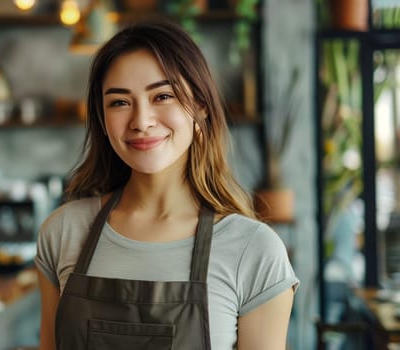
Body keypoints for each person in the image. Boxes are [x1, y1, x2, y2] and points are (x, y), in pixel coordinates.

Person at [35, 20, 299, 349]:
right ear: (102, 120)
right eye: (119, 102)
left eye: (162, 96)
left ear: (200, 106)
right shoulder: (63, 232)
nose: (142, 121)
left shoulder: (253, 250)